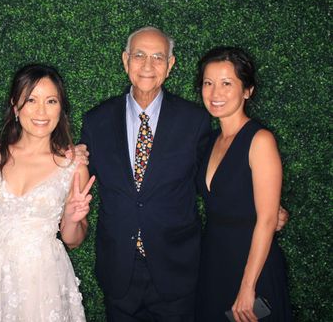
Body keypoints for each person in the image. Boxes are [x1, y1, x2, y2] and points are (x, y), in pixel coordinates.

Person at [80, 27, 289, 322]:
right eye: (139, 55)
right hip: (119, 275)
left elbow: (224, 181)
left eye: (158, 57)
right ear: (125, 60)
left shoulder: (196, 121)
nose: (148, 65)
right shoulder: (95, 121)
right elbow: (75, 183)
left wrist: (270, 213)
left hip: (178, 274)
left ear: (171, 65)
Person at [0, 64, 94, 321]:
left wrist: (72, 217)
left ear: (61, 108)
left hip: (42, 277)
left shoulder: (73, 165)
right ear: (16, 106)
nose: (41, 111)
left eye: (51, 101)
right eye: (31, 100)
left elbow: (72, 239)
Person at [195, 46, 291, 321]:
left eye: (227, 83)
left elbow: (267, 220)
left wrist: (248, 287)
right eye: (208, 83)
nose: (215, 94)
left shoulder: (260, 140)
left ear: (247, 90)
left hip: (253, 267)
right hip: (214, 262)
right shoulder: (211, 141)